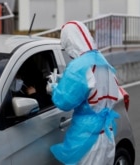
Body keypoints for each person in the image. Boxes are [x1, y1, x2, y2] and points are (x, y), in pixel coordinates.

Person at [47, 20, 123, 165]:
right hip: (107, 134)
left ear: (69, 41)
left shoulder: (79, 66)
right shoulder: (103, 61)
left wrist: (54, 89)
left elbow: (64, 101)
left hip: (87, 140)